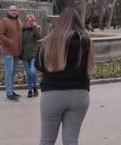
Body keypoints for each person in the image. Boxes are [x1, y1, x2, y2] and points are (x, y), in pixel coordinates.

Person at [35, 8, 95, 145]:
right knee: (71, 140)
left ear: (60, 22)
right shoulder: (86, 41)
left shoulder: (48, 41)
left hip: (53, 94)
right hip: (80, 94)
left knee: (47, 140)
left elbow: (39, 66)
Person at [0, 5, 23, 101]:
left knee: (13, 72)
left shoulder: (19, 21)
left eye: (15, 10)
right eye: (12, 10)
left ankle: (11, 90)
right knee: (9, 72)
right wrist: (9, 42)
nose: (14, 11)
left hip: (17, 51)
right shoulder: (4, 21)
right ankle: (9, 93)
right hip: (8, 51)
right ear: (8, 11)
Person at [22, 14, 41, 98]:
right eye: (28, 20)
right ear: (26, 21)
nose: (30, 22)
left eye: (31, 20)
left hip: (33, 54)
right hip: (25, 55)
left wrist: (35, 27)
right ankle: (30, 90)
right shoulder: (22, 29)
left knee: (33, 71)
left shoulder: (35, 29)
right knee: (28, 73)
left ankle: (35, 87)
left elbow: (39, 37)